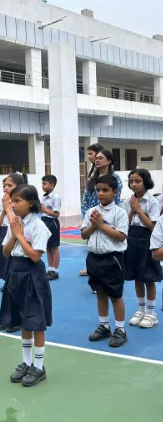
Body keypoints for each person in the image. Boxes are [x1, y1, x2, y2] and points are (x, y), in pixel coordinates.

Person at [1, 185, 52, 387]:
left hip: (32, 274)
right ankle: (26, 362)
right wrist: (14, 234)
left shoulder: (38, 225)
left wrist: (20, 236)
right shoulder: (14, 223)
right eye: (11, 201)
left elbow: (35, 256)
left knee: (35, 320)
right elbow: (5, 252)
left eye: (17, 201)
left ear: (30, 203)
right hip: (15, 273)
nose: (12, 205)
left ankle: (38, 367)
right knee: (22, 318)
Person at [81, 174, 129, 348]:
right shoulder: (91, 212)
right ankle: (104, 326)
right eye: (98, 190)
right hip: (94, 259)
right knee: (100, 294)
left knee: (115, 295)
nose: (100, 193)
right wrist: (93, 226)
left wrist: (101, 225)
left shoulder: (120, 213)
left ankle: (120, 329)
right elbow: (83, 234)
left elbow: (121, 236)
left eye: (105, 190)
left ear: (115, 192)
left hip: (112, 259)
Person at [121, 169, 161, 329]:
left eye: (137, 181)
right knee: (137, 277)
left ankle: (151, 313)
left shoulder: (153, 202)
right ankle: (141, 310)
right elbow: (124, 224)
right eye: (131, 181)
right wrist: (131, 211)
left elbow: (153, 227)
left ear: (145, 182)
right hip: (132, 240)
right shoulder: (127, 202)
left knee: (148, 277)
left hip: (147, 240)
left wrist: (138, 209)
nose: (134, 184)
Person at [0, 173, 27, 333]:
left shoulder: (21, 204)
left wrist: (8, 207)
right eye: (4, 185)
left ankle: (16, 318)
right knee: (8, 283)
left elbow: (16, 223)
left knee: (17, 284)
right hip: (6, 237)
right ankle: (8, 319)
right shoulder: (3, 203)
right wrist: (4, 209)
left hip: (19, 242)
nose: (6, 188)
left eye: (10, 185)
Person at [80, 149, 122, 277]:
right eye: (96, 158)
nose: (97, 160)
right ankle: (91, 268)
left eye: (100, 158)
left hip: (108, 214)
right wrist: (86, 215)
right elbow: (86, 198)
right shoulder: (92, 179)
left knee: (107, 239)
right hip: (92, 214)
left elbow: (117, 198)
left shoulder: (115, 179)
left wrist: (110, 214)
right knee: (92, 240)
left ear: (109, 161)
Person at [41, 175, 62, 280]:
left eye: (45, 184)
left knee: (54, 247)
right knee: (48, 247)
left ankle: (55, 271)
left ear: (52, 185)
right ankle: (50, 269)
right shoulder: (44, 196)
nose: (43, 186)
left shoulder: (55, 197)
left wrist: (43, 210)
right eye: (42, 184)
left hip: (52, 222)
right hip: (44, 221)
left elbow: (56, 214)